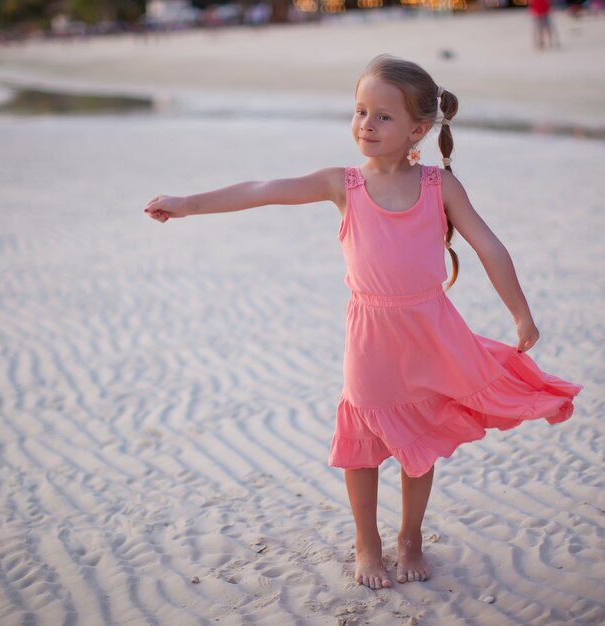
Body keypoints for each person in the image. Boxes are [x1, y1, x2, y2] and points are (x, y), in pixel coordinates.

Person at [144, 55, 583, 591]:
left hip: (429, 333)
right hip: (370, 337)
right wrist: (186, 204)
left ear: (418, 129)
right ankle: (366, 542)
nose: (366, 125)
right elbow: (264, 189)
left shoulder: (437, 186)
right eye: (359, 112)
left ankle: (410, 537)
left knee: (419, 438)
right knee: (363, 436)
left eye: (382, 117)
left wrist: (520, 311)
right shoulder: (342, 183)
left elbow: (489, 246)